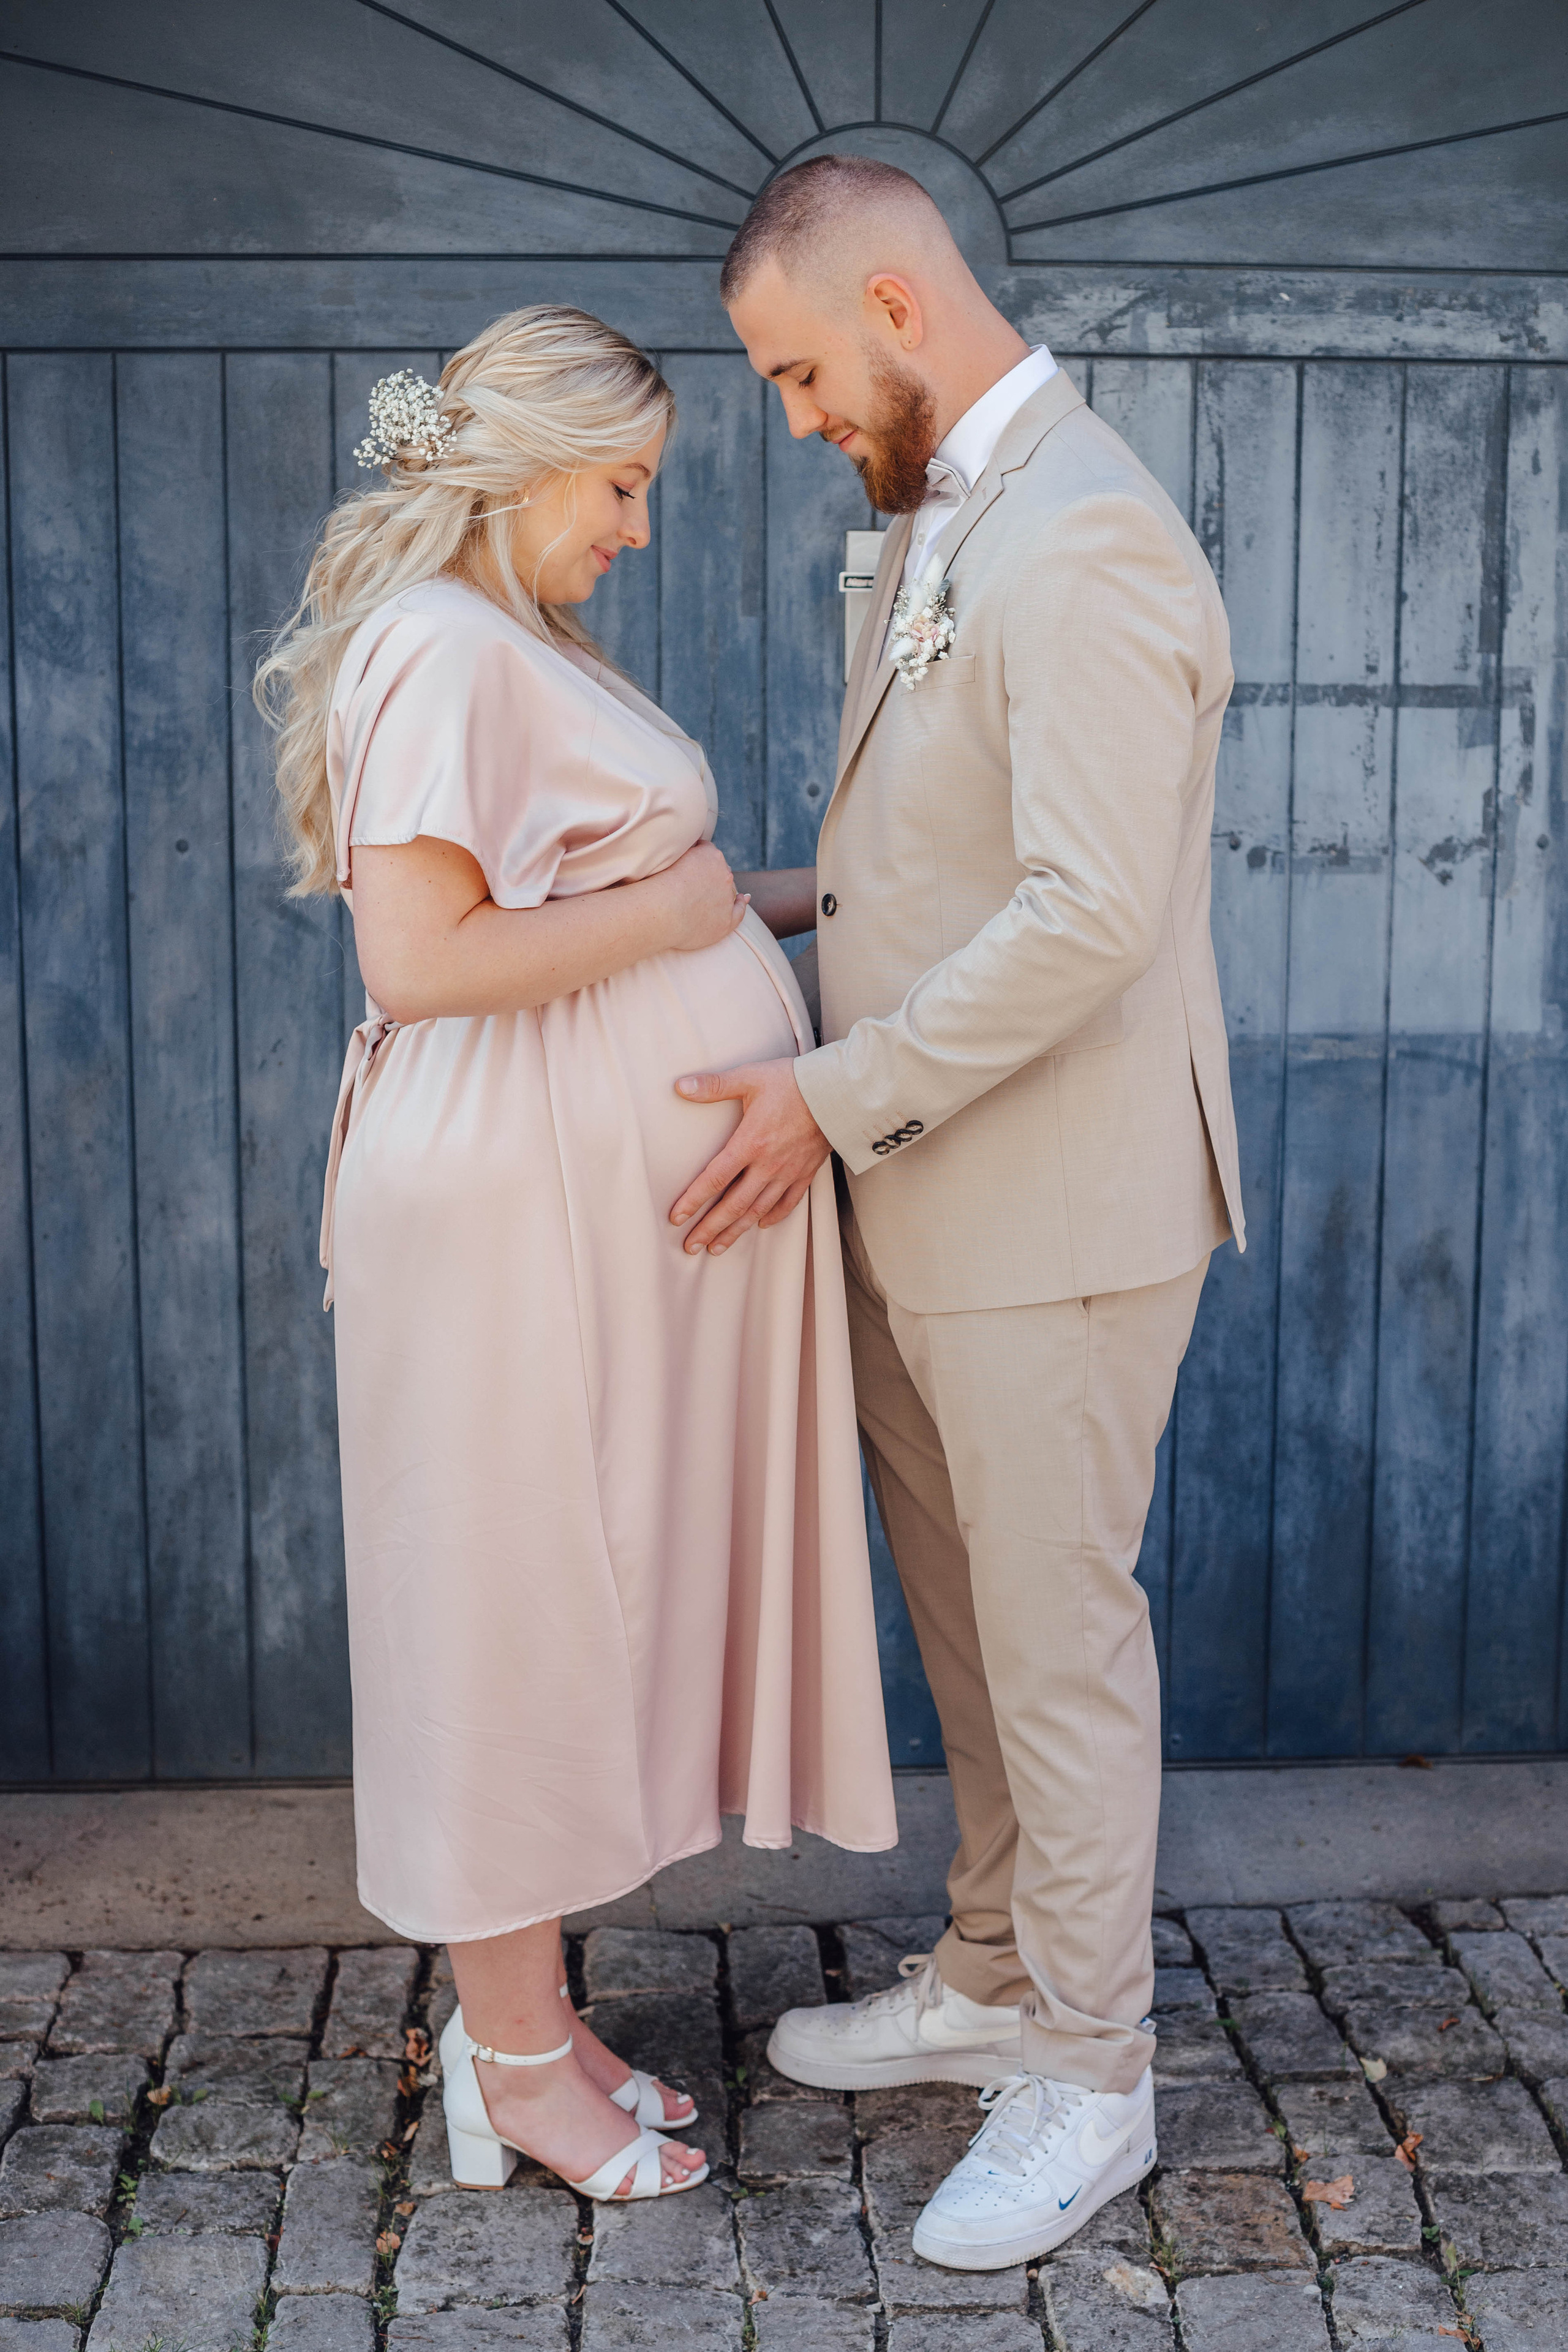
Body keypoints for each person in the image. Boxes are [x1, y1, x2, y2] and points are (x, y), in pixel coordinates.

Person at [254, 306, 896, 2206]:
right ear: (529, 465)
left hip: (555, 1207)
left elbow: (622, 896)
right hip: (501, 1213)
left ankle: (525, 2021)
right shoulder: (443, 644)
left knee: (551, 1598)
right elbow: (423, 961)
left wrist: (814, 898)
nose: (634, 526)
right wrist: (701, 911)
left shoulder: (500, 641)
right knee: (507, 1613)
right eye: (619, 488)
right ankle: (517, 2069)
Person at [670, 157, 1244, 2269]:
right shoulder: (963, 517)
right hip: (939, 1189)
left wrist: (825, 1094)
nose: (801, 415)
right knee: (978, 1642)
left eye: (805, 370)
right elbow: (961, 856)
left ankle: (1088, 2072)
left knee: (1061, 1649)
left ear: (899, 302)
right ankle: (997, 1966)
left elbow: (1092, 910)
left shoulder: (1085, 537)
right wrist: (742, 906)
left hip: (1055, 1206)